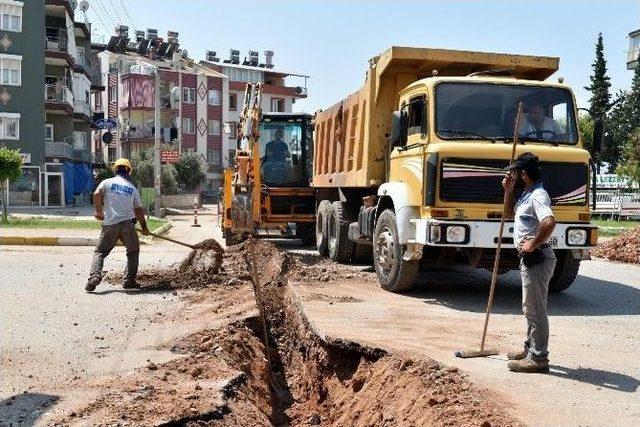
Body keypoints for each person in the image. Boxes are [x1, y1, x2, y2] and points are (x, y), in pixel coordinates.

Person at [502, 152, 557, 373]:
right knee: (530, 308)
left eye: (515, 172)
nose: (512, 175)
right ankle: (530, 348)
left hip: (537, 258)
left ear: (524, 174)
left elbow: (549, 222)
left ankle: (539, 358)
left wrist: (532, 245)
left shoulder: (538, 195)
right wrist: (507, 190)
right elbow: (508, 213)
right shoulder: (526, 194)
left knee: (535, 310)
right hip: (530, 258)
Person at [85, 158, 149, 292]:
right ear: (129, 172)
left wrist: (99, 211)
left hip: (110, 225)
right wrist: (144, 228)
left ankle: (94, 277)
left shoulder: (107, 182)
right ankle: (129, 281)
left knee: (100, 252)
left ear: (115, 170)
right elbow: (138, 210)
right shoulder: (132, 189)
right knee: (133, 252)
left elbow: (97, 194)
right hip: (128, 226)